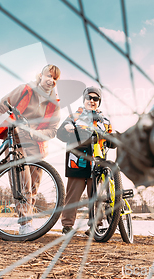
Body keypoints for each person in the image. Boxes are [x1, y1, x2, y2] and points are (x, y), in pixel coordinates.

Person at [0, 64, 61, 234]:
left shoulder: (55, 105)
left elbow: (52, 130)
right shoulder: (25, 90)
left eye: (54, 78)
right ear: (40, 75)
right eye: (48, 75)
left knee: (33, 188)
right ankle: (25, 223)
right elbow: (1, 105)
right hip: (16, 140)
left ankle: (27, 219)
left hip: (37, 145)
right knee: (23, 181)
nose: (51, 80)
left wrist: (33, 133)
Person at [56, 86, 114, 235]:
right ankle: (67, 226)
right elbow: (60, 133)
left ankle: (95, 227)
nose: (92, 101)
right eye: (89, 98)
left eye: (95, 99)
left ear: (99, 101)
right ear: (84, 99)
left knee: (97, 197)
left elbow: (111, 138)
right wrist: (67, 128)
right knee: (72, 197)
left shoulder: (105, 120)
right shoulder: (74, 116)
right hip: (77, 161)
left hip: (98, 163)